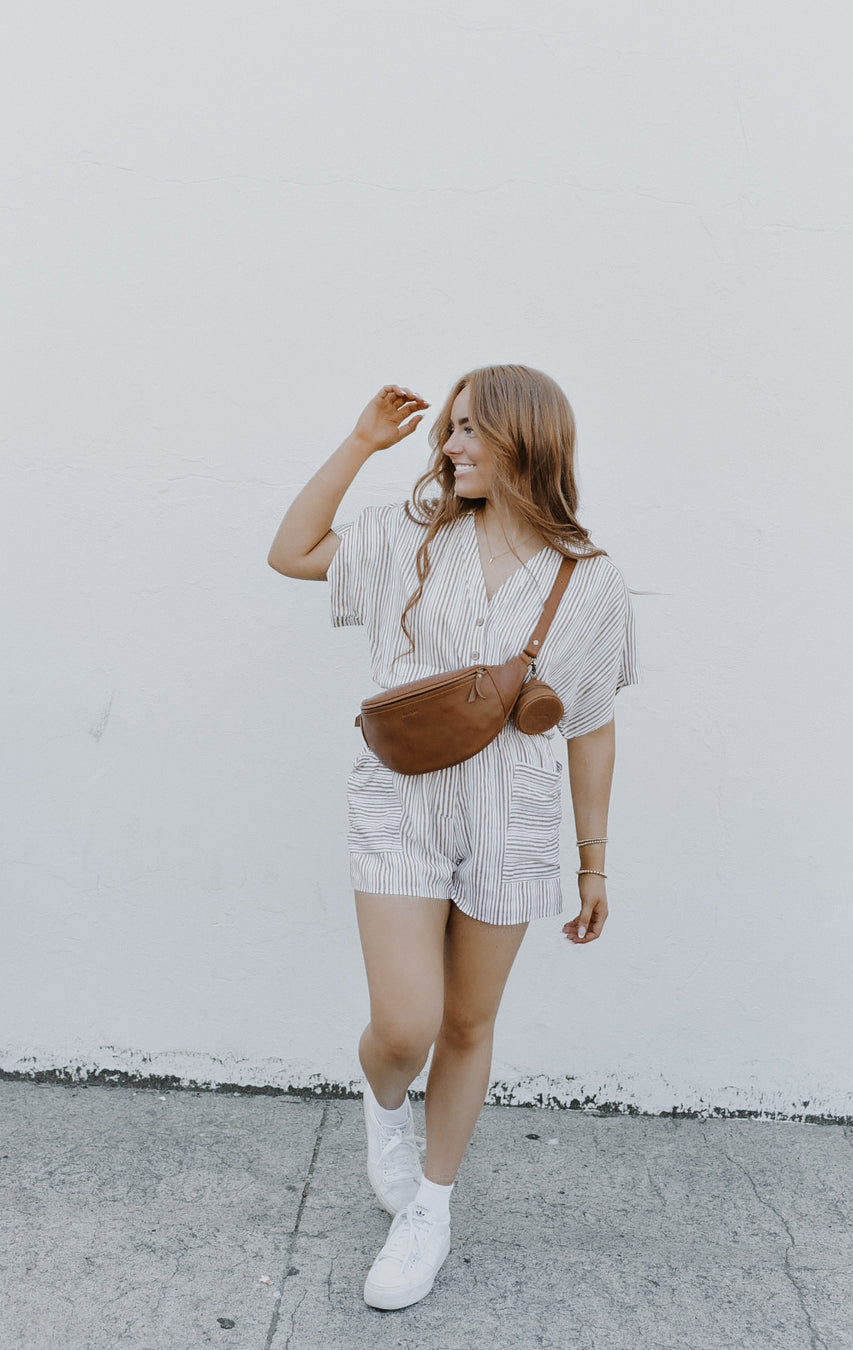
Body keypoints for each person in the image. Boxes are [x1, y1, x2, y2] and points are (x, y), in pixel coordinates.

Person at [267, 365, 639, 1311]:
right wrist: (361, 444)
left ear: (529, 441)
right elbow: (291, 551)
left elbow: (589, 726)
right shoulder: (412, 536)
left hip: (514, 819)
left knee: (470, 1023)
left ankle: (430, 1207)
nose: (452, 444)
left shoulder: (590, 583)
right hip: (400, 798)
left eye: (474, 430)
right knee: (406, 1025)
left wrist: (594, 859)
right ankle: (384, 1104)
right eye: (452, 429)